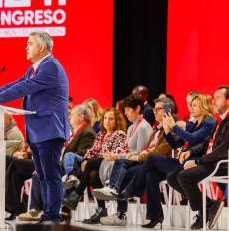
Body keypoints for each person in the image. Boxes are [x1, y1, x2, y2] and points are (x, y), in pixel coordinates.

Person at [0, 31, 70, 223]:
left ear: (42, 47)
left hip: (50, 130)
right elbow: (18, 83)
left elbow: (26, 87)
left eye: (29, 44)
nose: (26, 47)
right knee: (43, 176)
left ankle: (52, 217)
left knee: (50, 175)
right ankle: (49, 215)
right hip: (38, 131)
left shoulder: (51, 66)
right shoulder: (34, 68)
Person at [113, 94, 216, 228]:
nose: (191, 108)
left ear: (204, 106)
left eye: (194, 105)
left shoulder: (209, 123)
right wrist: (167, 132)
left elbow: (192, 139)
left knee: (152, 158)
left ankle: (131, 191)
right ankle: (155, 216)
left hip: (195, 162)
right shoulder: (192, 123)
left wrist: (174, 127)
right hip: (182, 160)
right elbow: (176, 144)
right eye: (191, 105)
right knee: (151, 175)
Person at [94, 98, 173, 226]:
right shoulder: (154, 128)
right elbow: (148, 149)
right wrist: (132, 155)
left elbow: (159, 151)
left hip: (158, 163)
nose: (154, 111)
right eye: (154, 108)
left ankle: (118, 195)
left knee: (120, 165)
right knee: (120, 167)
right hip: (146, 161)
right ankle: (149, 215)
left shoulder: (150, 127)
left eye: (158, 109)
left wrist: (134, 156)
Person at [19, 104, 96, 222]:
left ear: (81, 117)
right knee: (37, 174)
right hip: (62, 164)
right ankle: (35, 209)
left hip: (73, 168)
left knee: (45, 173)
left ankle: (47, 210)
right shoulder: (73, 131)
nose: (69, 117)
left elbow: (80, 155)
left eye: (73, 114)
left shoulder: (87, 132)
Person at [167, 86, 229, 230]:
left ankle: (203, 210)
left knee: (183, 177)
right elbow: (206, 143)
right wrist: (191, 152)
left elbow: (221, 152)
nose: (214, 101)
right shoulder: (219, 121)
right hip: (209, 162)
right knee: (172, 177)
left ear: (228, 101)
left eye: (218, 98)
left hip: (219, 164)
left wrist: (196, 161)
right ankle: (208, 205)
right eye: (214, 97)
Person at [62, 107, 127, 224]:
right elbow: (91, 151)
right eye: (105, 118)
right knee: (92, 174)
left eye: (111, 118)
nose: (107, 121)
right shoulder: (100, 134)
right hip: (98, 165)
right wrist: (86, 159)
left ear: (117, 121)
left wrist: (91, 159)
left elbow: (117, 152)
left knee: (92, 162)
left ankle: (77, 194)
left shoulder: (120, 134)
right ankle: (101, 210)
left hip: (111, 165)